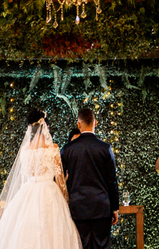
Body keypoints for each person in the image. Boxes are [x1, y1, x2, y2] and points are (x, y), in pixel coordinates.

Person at [0, 108, 80, 249]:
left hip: (27, 193)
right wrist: (65, 200)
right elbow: (60, 179)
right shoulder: (53, 148)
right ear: (46, 127)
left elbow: (23, 177)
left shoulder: (25, 151)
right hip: (50, 193)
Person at [61, 105, 119, 249]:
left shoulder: (67, 149)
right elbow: (112, 180)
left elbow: (61, 179)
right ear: (95, 123)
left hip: (78, 208)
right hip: (101, 207)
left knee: (81, 246)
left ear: (79, 124)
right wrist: (115, 208)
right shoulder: (105, 148)